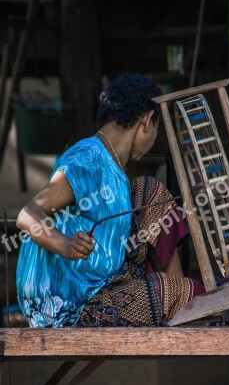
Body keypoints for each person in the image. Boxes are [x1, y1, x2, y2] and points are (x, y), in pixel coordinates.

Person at [16, 73, 204, 328]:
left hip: (98, 286)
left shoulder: (113, 167)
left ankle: (178, 297)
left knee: (150, 192)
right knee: (189, 293)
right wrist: (65, 244)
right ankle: (180, 298)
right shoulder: (89, 159)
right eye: (156, 128)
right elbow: (27, 214)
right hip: (67, 306)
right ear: (147, 121)